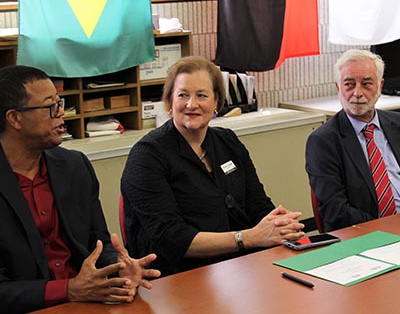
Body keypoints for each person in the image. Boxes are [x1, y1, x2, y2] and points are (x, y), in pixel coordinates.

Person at [121, 56, 305, 276]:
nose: (192, 104)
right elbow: (171, 239)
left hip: (240, 270)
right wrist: (248, 238)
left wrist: (279, 225)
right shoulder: (147, 156)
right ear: (170, 102)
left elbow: (257, 205)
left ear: (217, 101)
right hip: (177, 277)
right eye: (183, 95)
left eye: (201, 95)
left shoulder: (227, 141)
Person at [0, 65, 160, 314]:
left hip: (87, 305)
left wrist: (120, 268)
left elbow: (99, 244)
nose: (61, 113)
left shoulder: (74, 166)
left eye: (60, 103)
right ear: (15, 118)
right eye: (50, 106)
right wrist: (69, 289)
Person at [306, 49, 400, 232]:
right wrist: (390, 227)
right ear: (338, 87)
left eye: (367, 84)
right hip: (367, 234)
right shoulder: (323, 142)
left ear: (380, 86)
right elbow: (336, 211)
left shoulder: (398, 124)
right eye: (349, 84)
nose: (357, 93)